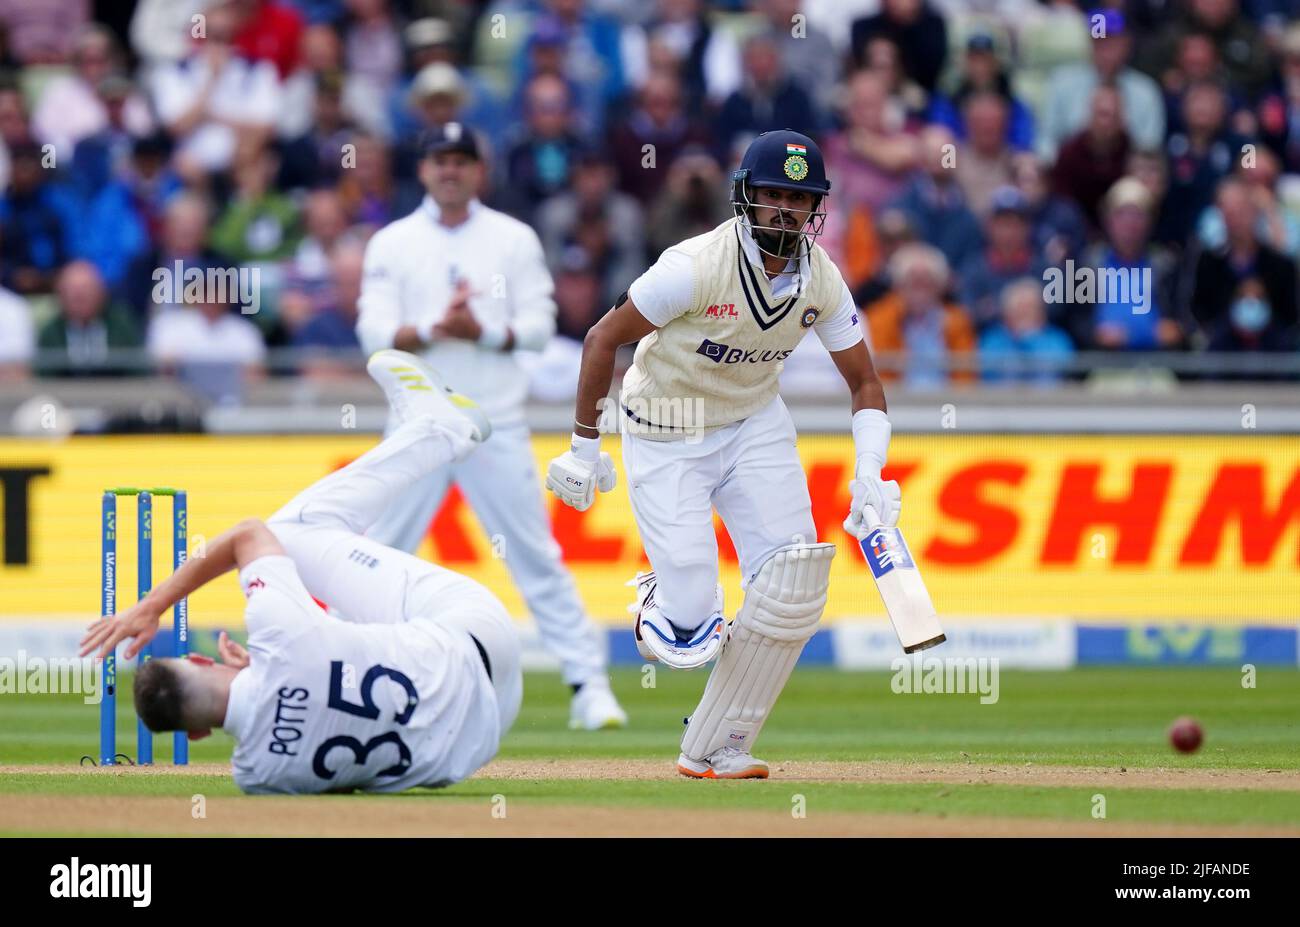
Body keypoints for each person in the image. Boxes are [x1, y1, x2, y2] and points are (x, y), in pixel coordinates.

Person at [546, 130, 899, 779]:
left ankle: (719, 743)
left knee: (792, 583)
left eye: (801, 198)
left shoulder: (821, 278)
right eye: (773, 196)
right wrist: (582, 445)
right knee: (687, 631)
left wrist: (870, 469)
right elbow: (601, 339)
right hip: (664, 425)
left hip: (753, 422)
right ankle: (668, 598)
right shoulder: (694, 265)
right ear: (747, 198)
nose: (786, 211)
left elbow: (864, 381)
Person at [80, 352, 522, 794]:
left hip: (480, 736)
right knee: (289, 531)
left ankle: (432, 430)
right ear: (198, 659)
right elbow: (248, 535)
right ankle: (439, 430)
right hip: (476, 635)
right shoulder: (281, 633)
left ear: (196, 734)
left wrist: (264, 670)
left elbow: (310, 703)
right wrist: (152, 606)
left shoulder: (260, 776)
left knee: (351, 640)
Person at [355, 122, 626, 731]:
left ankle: (589, 686)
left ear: (479, 170)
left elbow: (539, 324)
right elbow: (373, 334)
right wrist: (433, 329)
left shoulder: (512, 238)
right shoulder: (393, 243)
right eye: (439, 160)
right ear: (423, 171)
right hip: (416, 422)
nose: (450, 170)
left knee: (535, 553)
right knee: (375, 554)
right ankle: (352, 682)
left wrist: (486, 333)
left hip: (495, 420)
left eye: (461, 160)